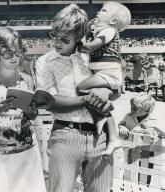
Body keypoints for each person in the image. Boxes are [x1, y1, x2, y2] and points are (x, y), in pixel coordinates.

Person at [35, 4, 117, 192]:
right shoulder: (45, 62)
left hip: (101, 136)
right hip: (65, 136)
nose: (56, 43)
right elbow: (51, 102)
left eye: (64, 39)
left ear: (79, 38)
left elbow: (117, 87)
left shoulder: (95, 57)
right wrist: (85, 100)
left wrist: (106, 92)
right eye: (53, 36)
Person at [0, 27, 46, 192]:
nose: (14, 58)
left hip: (26, 151)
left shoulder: (27, 79)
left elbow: (31, 116)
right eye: (8, 53)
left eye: (18, 52)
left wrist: (32, 111)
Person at [77, 1, 131, 155]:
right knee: (97, 98)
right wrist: (88, 28)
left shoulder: (109, 30)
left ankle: (101, 114)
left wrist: (77, 40)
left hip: (108, 74)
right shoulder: (101, 29)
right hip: (104, 74)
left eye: (103, 10)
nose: (98, 13)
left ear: (113, 21)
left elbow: (90, 47)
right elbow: (90, 34)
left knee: (80, 88)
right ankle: (112, 135)